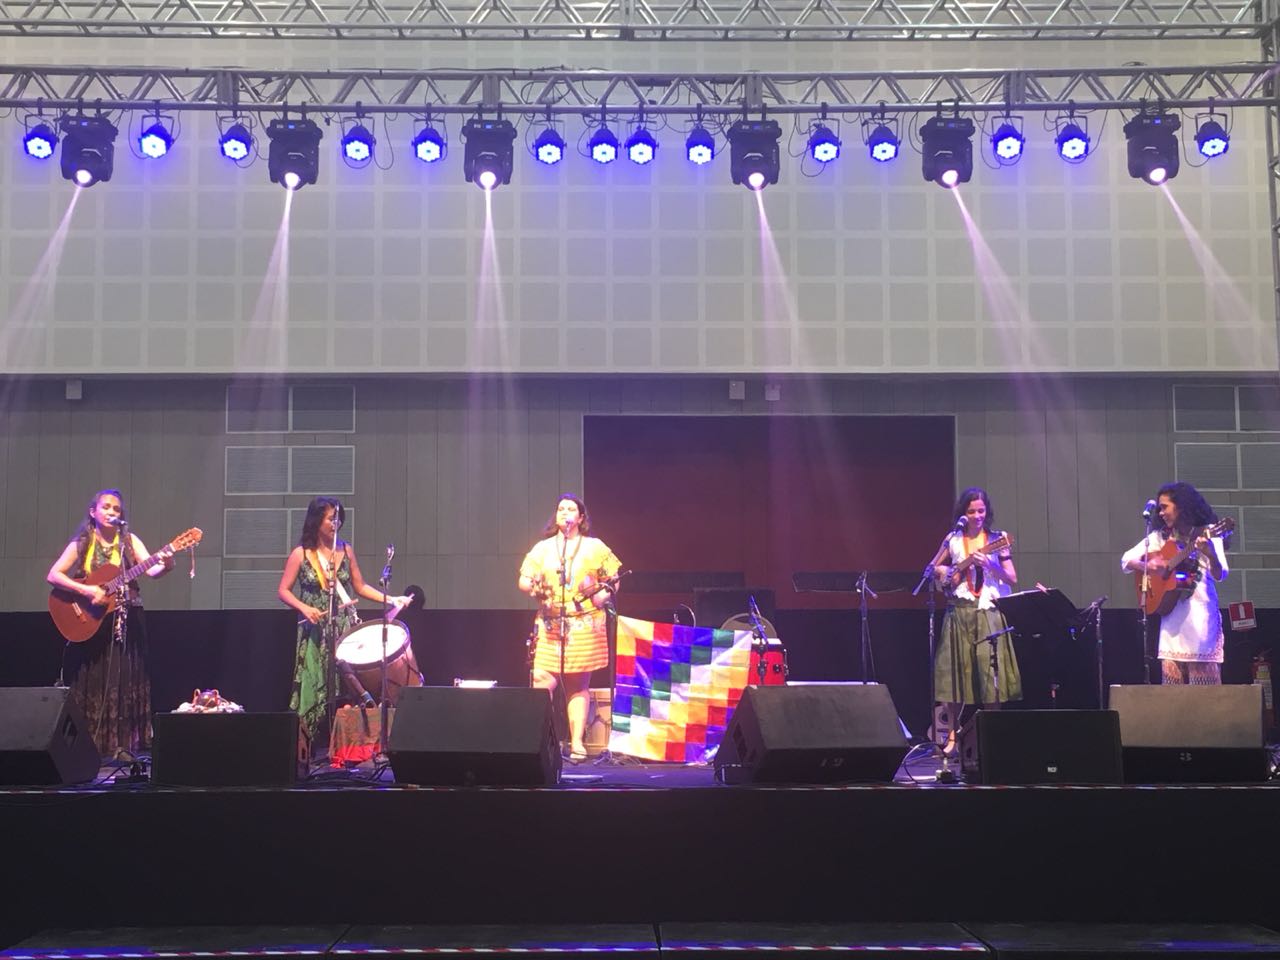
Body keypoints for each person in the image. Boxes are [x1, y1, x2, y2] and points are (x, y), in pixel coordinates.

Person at [46, 488, 175, 758]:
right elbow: (54, 575)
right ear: (93, 512)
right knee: (94, 680)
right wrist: (86, 591)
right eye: (106, 507)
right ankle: (88, 746)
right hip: (92, 623)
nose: (111, 512)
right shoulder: (83, 543)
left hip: (126, 622)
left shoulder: (129, 540)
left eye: (116, 509)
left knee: (124, 679)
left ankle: (122, 746)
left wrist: (166, 563)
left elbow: (151, 570)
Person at [277, 497, 412, 746]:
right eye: (331, 518)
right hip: (315, 630)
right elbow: (283, 590)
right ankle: (309, 746)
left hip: (343, 629)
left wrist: (391, 598)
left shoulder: (346, 550)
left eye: (338, 519)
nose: (336, 523)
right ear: (317, 520)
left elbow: (360, 587)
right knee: (315, 683)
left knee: (347, 685)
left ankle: (345, 744)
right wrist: (304, 608)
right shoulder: (301, 553)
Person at [517, 495, 621, 763]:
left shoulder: (595, 547)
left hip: (584, 624)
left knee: (578, 685)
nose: (565, 513)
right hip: (551, 624)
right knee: (542, 680)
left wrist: (602, 595)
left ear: (581, 517)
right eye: (561, 509)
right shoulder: (542, 548)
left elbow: (614, 579)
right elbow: (524, 580)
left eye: (571, 509)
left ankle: (576, 742)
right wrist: (533, 588)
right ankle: (541, 741)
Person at [932, 487, 1021, 747]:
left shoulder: (997, 539)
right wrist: (945, 573)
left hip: (987, 611)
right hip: (959, 611)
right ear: (964, 513)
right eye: (972, 511)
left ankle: (992, 734)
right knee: (954, 673)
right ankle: (952, 735)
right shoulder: (953, 539)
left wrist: (990, 564)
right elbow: (933, 567)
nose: (977, 516)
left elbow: (1012, 578)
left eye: (981, 511)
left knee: (991, 673)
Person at [1121, 481, 1229, 685]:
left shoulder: (1208, 533)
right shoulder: (1159, 537)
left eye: (1165, 507)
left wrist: (1210, 554)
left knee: (1205, 696)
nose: (1161, 513)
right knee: (1172, 697)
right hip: (1171, 624)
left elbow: (1221, 574)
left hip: (1200, 622)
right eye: (1159, 509)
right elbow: (1126, 561)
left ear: (1181, 506)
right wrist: (1149, 566)